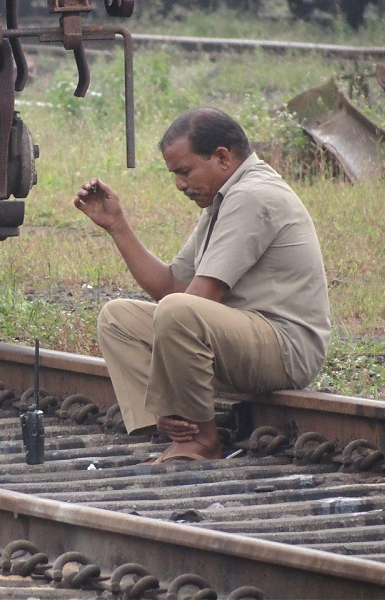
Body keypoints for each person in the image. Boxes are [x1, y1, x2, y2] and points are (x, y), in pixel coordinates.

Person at [73, 107, 330, 463]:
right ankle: (172, 424)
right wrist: (117, 225)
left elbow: (195, 301)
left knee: (179, 313)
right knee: (118, 318)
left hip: (285, 347)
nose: (180, 184)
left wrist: (166, 388)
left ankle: (202, 441)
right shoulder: (223, 199)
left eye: (184, 171)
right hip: (241, 339)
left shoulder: (252, 195)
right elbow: (172, 285)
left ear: (222, 157)